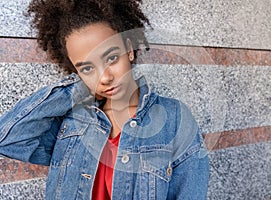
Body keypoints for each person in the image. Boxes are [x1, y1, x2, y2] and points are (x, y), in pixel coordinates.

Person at [0, 0, 209, 199]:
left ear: (128, 50)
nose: (105, 78)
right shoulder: (71, 124)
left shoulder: (175, 120)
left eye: (111, 58)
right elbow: (8, 139)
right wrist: (81, 87)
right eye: (87, 67)